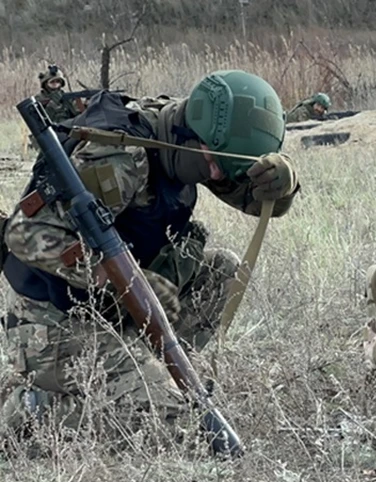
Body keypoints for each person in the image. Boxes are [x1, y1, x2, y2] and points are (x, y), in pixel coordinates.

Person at [1, 70, 300, 446]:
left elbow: (253, 198)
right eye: (213, 164)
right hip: (52, 323)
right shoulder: (121, 160)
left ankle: (154, 374)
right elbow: (22, 233)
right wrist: (117, 278)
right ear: (193, 139)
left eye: (224, 167)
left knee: (221, 270)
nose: (215, 175)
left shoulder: (186, 136)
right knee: (172, 426)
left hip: (115, 311)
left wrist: (281, 186)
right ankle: (37, 408)